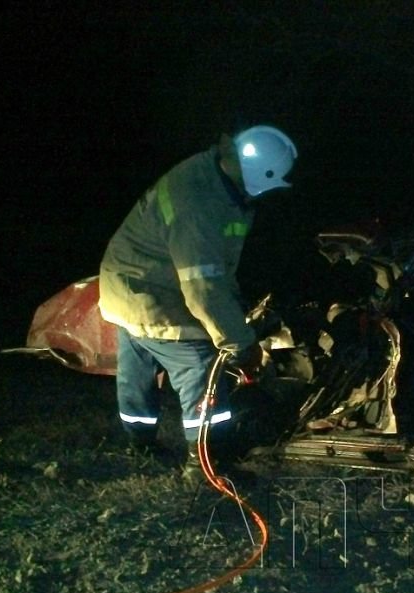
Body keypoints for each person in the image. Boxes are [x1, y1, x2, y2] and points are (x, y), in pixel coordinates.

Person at [98, 125, 298, 478]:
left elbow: (216, 268)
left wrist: (236, 306)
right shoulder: (201, 202)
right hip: (154, 295)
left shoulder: (213, 174)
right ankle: (207, 463)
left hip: (126, 287)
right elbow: (203, 289)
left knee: (136, 375)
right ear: (258, 175)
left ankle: (139, 444)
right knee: (202, 370)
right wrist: (240, 343)